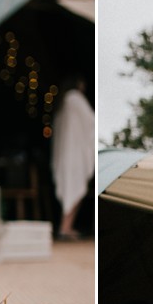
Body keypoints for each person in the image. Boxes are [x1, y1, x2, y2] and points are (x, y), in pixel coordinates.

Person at [50, 77, 94, 240]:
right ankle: (65, 226)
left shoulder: (62, 102)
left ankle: (66, 226)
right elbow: (90, 120)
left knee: (71, 188)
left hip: (66, 155)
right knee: (76, 187)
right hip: (75, 153)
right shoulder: (74, 98)